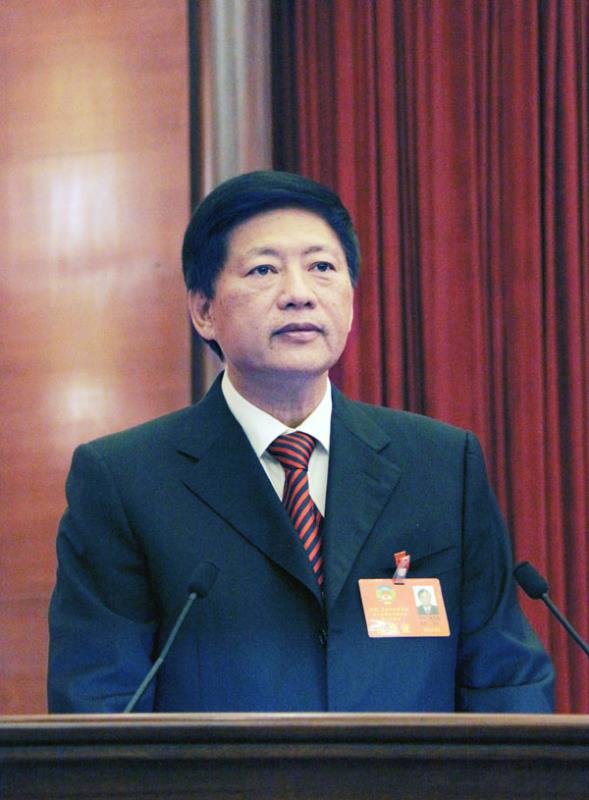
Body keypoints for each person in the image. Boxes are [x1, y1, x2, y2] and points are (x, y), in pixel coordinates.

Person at [48, 170, 554, 713]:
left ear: (351, 299)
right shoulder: (125, 481)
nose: (298, 294)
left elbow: (508, 682)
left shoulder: (441, 466)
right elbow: (100, 707)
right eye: (264, 270)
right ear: (204, 310)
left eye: (322, 268)